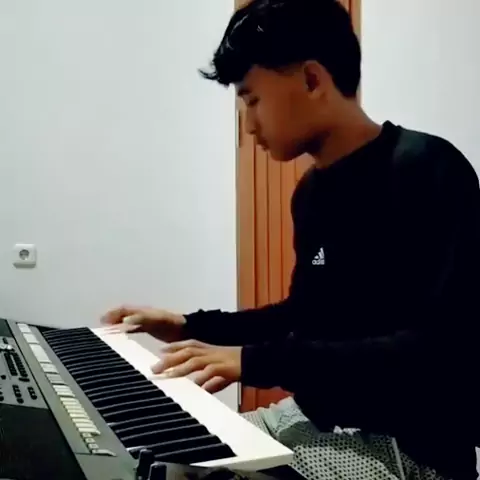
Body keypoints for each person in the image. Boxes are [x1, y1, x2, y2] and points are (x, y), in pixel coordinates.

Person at [102, 0, 480, 479]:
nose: (249, 124)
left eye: (252, 100)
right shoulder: (312, 193)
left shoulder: (428, 168)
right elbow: (303, 315)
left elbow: (442, 347)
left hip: (408, 452)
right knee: (151, 460)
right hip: (313, 420)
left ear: (312, 80)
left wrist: (255, 362)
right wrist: (187, 324)